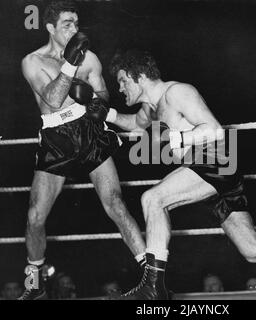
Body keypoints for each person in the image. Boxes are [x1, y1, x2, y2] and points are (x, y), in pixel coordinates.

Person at [90, 49, 256, 299]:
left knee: (152, 199)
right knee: (253, 249)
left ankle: (153, 287)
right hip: (208, 171)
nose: (120, 88)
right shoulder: (151, 108)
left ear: (141, 76)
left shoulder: (177, 93)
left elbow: (215, 130)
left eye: (123, 80)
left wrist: (178, 139)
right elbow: (136, 125)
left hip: (214, 161)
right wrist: (106, 114)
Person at [19, 1, 146, 300]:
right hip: (55, 136)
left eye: (76, 23)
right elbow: (51, 99)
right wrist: (70, 65)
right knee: (36, 216)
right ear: (50, 28)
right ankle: (34, 286)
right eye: (67, 24)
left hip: (89, 131)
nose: (75, 29)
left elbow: (102, 96)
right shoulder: (32, 61)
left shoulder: (90, 57)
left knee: (115, 203)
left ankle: (152, 276)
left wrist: (92, 98)